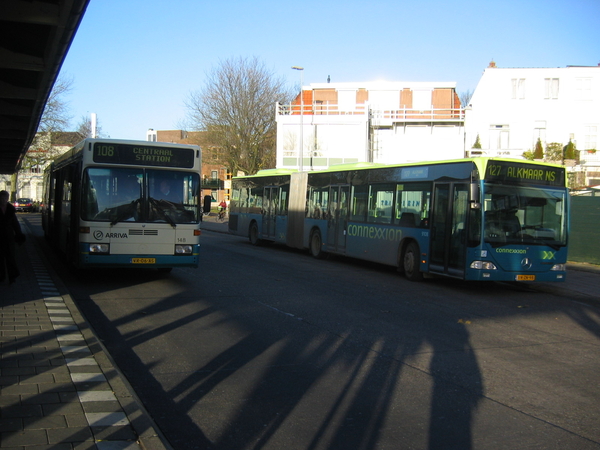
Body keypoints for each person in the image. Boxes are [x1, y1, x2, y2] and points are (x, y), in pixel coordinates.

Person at [0, 190, 25, 284]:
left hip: (9, 237)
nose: (3, 200)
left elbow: (15, 224)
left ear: (7, 199)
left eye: (5, 198)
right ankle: (1, 277)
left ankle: (12, 276)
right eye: (2, 198)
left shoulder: (10, 210)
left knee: (10, 258)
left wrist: (19, 235)